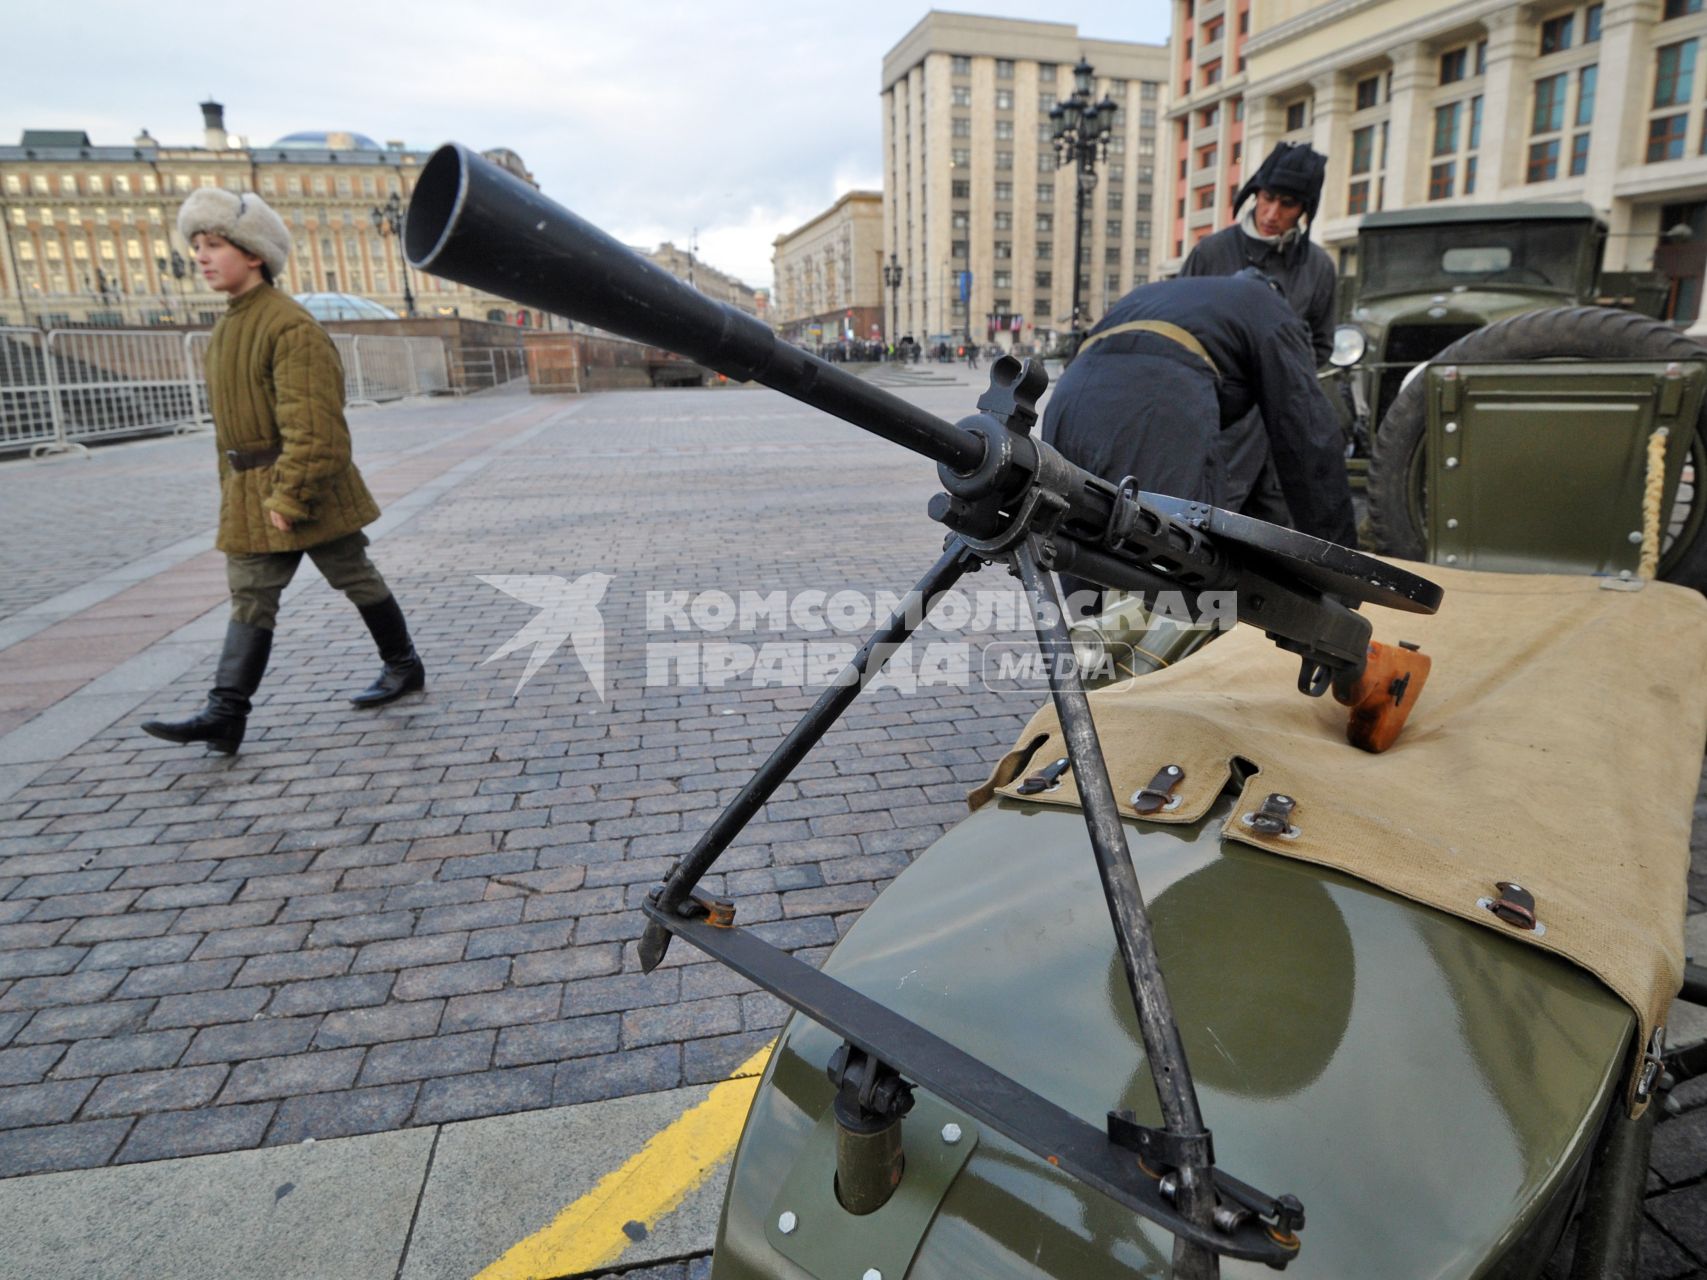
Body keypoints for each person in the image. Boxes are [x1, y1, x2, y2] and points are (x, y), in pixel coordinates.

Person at [140, 189, 425, 755]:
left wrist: (290, 496)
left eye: (214, 244)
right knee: (251, 595)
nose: (200, 255)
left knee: (353, 576)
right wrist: (239, 491)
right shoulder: (228, 327)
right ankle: (226, 714)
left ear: (254, 254)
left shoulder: (288, 327)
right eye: (196, 244)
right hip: (252, 491)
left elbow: (316, 431)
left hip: (302, 488)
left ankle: (404, 666)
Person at [1040, 270, 1356, 615]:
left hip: (1069, 401)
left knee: (1083, 567)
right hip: (1154, 403)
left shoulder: (1171, 294)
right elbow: (1309, 441)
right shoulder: (1271, 309)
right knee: (1179, 586)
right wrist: (1341, 578)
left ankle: (1096, 662)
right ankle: (1156, 666)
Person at [1180, 143, 1340, 525]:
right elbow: (1178, 335)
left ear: (1305, 209)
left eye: (1288, 204)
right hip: (1216, 431)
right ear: (1254, 192)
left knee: (1274, 545)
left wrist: (1282, 380)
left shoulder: (1318, 268)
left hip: (1279, 442)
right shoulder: (1210, 254)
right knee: (1203, 538)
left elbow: (1321, 345)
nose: (1272, 214)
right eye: (1268, 198)